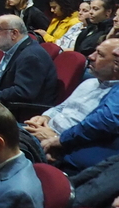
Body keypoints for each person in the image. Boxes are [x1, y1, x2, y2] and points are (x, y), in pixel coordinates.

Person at [39, 39, 119, 173]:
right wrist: (44, 117)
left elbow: (99, 125)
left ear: (115, 64)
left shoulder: (111, 96)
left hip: (59, 144)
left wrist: (57, 139)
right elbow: (60, 107)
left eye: (100, 54)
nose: (91, 56)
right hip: (44, 130)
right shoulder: (89, 82)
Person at [0, 14, 58, 105]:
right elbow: (1, 83)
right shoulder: (13, 49)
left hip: (18, 110)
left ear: (14, 33)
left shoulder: (31, 56)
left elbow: (22, 92)